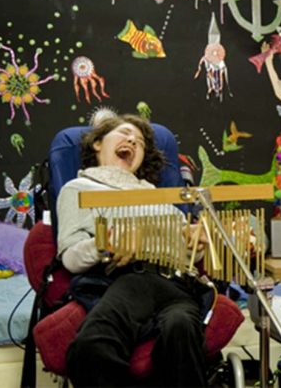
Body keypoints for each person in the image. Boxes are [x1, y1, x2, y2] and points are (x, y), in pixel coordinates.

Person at [57, 114, 210, 387]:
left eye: (139, 142)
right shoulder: (79, 188)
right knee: (91, 349)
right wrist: (103, 245)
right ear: (97, 143)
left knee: (182, 328)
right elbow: (70, 257)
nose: (132, 141)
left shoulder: (159, 197)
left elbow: (189, 256)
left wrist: (196, 246)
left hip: (177, 285)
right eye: (125, 133)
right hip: (128, 283)